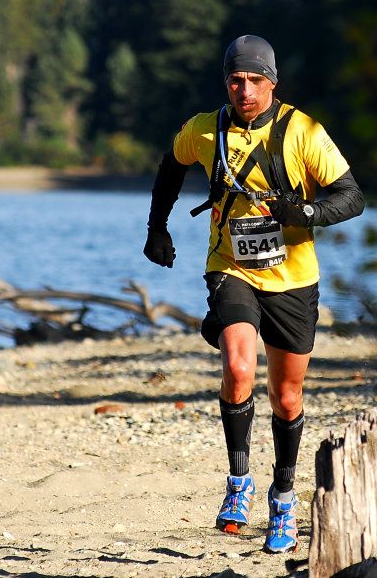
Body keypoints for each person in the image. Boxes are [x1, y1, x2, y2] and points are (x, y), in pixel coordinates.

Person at [142, 34, 364, 553]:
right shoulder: (204, 130)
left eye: (254, 81)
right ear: (226, 82)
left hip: (293, 278)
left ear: (272, 83)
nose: (244, 91)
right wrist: (157, 228)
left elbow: (352, 197)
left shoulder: (304, 131)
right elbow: (170, 167)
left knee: (287, 398)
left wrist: (306, 212)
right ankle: (238, 482)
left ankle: (283, 498)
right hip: (230, 268)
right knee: (239, 368)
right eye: (235, 80)